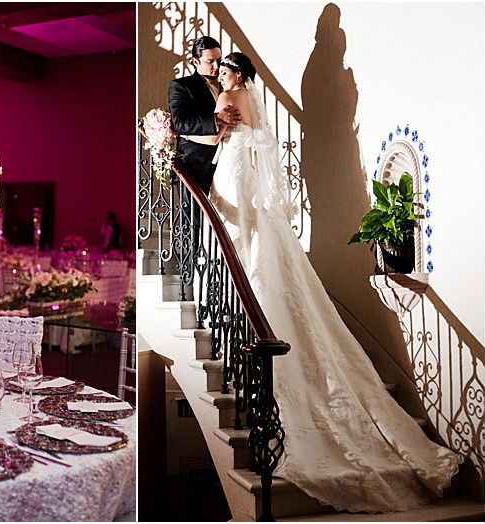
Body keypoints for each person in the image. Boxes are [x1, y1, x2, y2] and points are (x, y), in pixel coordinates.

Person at [204, 52, 461, 513]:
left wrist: (202, 132)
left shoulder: (228, 94)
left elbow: (221, 132)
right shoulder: (250, 96)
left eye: (225, 69)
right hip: (246, 170)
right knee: (250, 242)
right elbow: (254, 137)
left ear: (237, 74)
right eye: (219, 70)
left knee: (237, 234)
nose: (220, 74)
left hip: (234, 168)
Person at [168, 36, 242, 196]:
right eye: (210, 61)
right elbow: (179, 123)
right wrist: (216, 118)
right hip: (195, 165)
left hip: (228, 162)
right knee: (196, 219)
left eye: (219, 60)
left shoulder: (228, 83)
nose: (216, 66)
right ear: (195, 62)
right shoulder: (181, 86)